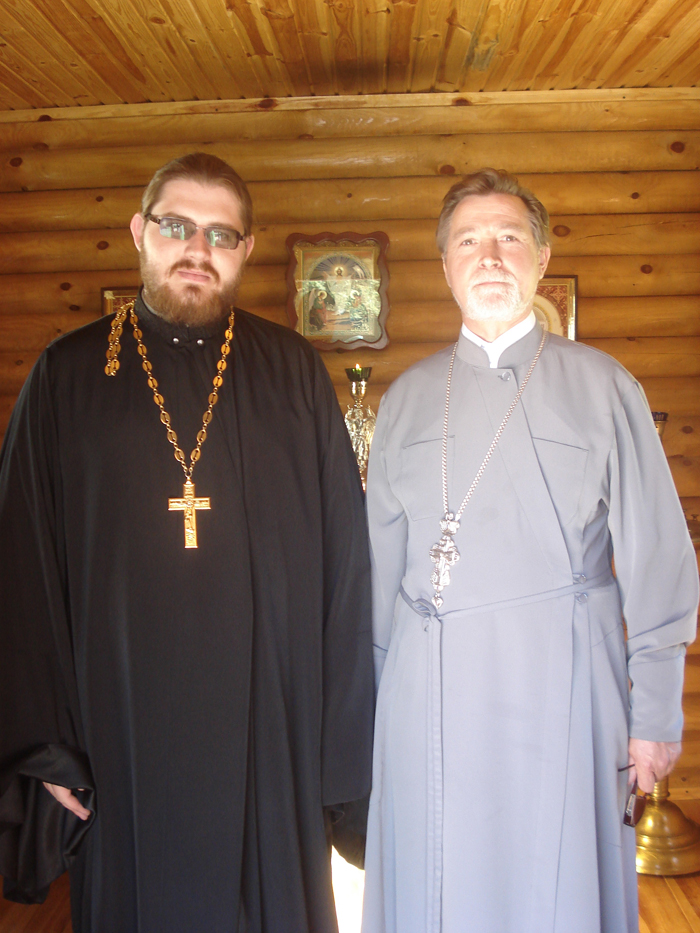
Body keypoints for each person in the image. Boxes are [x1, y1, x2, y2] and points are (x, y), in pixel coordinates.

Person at [0, 152, 374, 933]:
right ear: (141, 231)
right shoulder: (67, 376)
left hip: (271, 731)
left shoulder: (293, 373)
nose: (197, 249)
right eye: (177, 226)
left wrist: (343, 754)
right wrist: (44, 748)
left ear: (244, 249)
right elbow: (20, 567)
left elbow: (346, 568)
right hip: (122, 732)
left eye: (220, 234)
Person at [361, 168, 698, 933]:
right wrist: (372, 716)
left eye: (508, 237)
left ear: (541, 258)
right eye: (468, 241)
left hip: (563, 684)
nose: (489, 256)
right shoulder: (406, 398)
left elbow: (657, 561)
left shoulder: (604, 385)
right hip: (427, 691)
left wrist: (655, 713)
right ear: (444, 264)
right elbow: (378, 576)